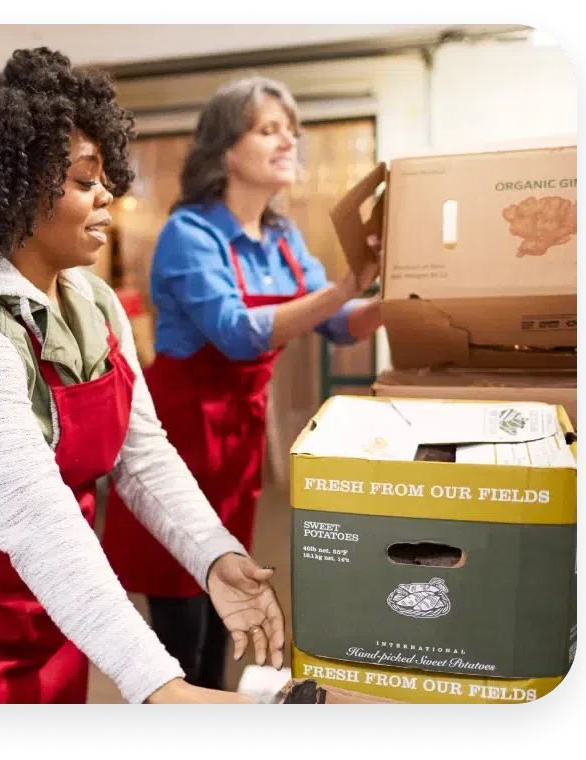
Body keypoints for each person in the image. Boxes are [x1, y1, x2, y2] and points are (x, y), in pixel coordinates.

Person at [0, 48, 285, 705]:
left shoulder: (94, 304)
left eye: (106, 175)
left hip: (46, 604)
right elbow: (35, 517)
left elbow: (141, 455)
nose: (108, 194)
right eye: (83, 178)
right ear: (12, 194)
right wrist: (160, 683)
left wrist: (213, 555)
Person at [99, 76, 383, 691]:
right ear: (226, 147)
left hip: (236, 438)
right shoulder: (189, 234)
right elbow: (235, 331)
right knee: (181, 631)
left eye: (292, 130)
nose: (289, 141)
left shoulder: (281, 237)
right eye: (268, 129)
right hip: (176, 436)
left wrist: (401, 295)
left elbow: (340, 322)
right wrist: (342, 287)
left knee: (225, 606)